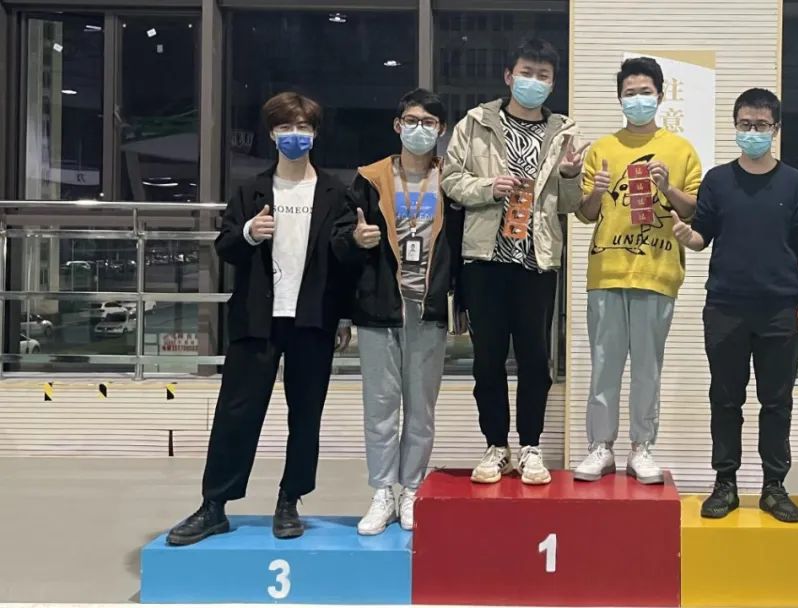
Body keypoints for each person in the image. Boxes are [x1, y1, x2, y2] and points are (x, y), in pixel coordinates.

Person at [166, 92, 356, 545]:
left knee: (305, 415)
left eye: (303, 127)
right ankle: (214, 504)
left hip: (312, 319)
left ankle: (290, 499)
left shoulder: (335, 192)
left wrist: (345, 314)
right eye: (286, 127)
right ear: (272, 134)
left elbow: (345, 262)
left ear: (315, 133)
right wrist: (250, 232)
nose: (295, 136)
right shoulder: (250, 190)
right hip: (256, 318)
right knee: (237, 412)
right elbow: (225, 246)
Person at [443, 38, 586, 486]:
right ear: (509, 76)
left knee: (535, 359)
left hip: (537, 261)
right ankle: (495, 446)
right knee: (487, 360)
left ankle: (530, 447)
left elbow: (570, 204)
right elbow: (451, 179)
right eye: (526, 73)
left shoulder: (563, 133)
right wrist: (489, 188)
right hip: (484, 260)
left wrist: (570, 175)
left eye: (543, 76)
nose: (533, 82)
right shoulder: (476, 123)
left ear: (553, 83)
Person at [672, 88, 798, 523]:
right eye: (745, 124)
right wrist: (686, 236)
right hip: (725, 306)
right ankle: (725, 484)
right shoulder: (718, 180)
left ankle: (774, 487)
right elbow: (702, 236)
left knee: (777, 401)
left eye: (761, 125)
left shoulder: (795, 183)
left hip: (781, 308)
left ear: (776, 129)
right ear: (735, 126)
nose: (752, 132)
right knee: (725, 399)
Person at [332, 89, 462, 535]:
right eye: (412, 120)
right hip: (379, 306)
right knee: (380, 407)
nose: (419, 129)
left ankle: (412, 488)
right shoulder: (369, 180)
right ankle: (382, 490)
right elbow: (341, 238)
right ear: (397, 125)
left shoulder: (452, 182)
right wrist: (355, 239)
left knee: (421, 409)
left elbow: (463, 246)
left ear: (441, 130)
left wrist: (461, 304)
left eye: (429, 122)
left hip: (427, 308)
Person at [572, 57, 702, 484]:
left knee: (648, 367)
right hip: (606, 272)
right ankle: (600, 447)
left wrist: (666, 187)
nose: (638, 99)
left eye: (645, 92)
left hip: (657, 272)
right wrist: (597, 191)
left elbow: (695, 209)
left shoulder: (681, 150)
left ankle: (642, 447)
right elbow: (586, 213)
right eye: (630, 93)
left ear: (660, 96)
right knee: (604, 365)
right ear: (619, 98)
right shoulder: (601, 149)